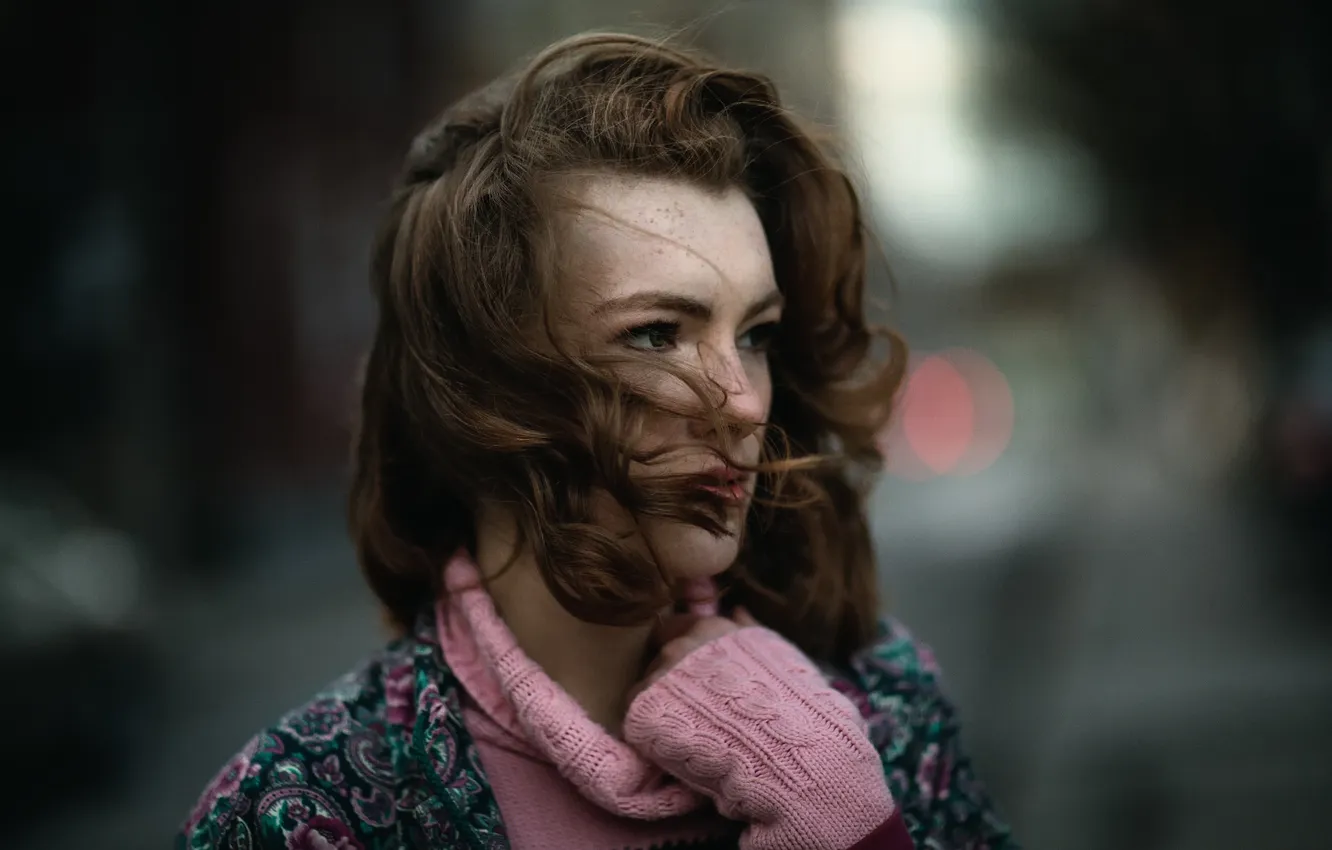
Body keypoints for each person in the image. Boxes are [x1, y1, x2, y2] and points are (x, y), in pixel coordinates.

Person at [178, 32, 1018, 850]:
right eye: (657, 334)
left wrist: (848, 822)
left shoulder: (875, 702)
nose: (738, 402)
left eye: (755, 334)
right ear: (483, 384)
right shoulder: (307, 811)